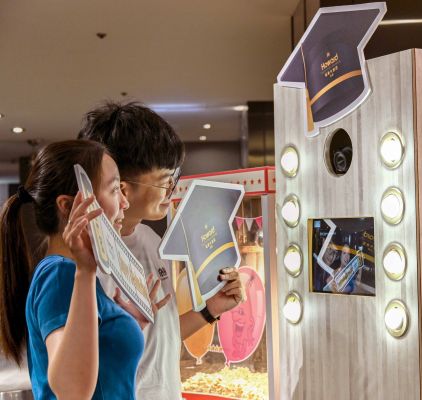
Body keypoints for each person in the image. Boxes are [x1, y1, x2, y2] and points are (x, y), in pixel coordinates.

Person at [78, 101, 244, 400]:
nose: (172, 191)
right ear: (122, 188)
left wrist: (210, 311)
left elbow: (160, 337)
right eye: (165, 181)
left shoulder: (153, 243)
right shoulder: (88, 262)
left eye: (174, 179)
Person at [0, 140, 146, 399]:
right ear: (68, 206)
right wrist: (85, 272)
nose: (124, 202)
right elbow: (72, 392)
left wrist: (124, 326)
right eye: (114, 190)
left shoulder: (67, 274)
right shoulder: (61, 275)